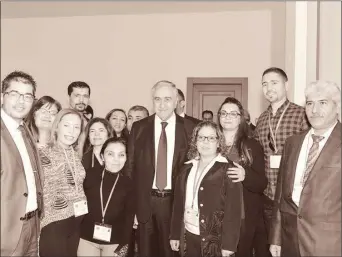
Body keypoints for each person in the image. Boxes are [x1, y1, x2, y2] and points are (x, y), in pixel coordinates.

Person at [269, 81, 341, 257]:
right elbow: (280, 195)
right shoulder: (293, 143)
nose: (314, 110)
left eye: (322, 103)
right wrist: (276, 237)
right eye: (310, 103)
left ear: (337, 106)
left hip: (329, 243)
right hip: (290, 239)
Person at [127, 80, 197, 257]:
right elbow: (130, 168)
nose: (162, 104)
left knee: (171, 253)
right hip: (145, 204)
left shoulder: (191, 128)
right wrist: (131, 207)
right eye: (157, 99)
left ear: (176, 102)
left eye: (167, 99)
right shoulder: (139, 128)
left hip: (175, 204)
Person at [170, 121, 243, 257]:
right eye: (201, 137)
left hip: (215, 240)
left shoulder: (229, 170)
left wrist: (229, 244)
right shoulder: (186, 168)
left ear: (218, 142)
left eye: (211, 138)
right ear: (195, 141)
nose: (205, 142)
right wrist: (174, 234)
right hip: (187, 234)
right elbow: (178, 204)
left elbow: (234, 211)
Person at [254, 67, 310, 237]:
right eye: (264, 84)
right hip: (267, 198)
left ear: (286, 85)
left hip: (293, 199)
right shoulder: (262, 119)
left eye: (274, 82)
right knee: (270, 246)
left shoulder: (302, 114)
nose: (268, 88)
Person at [218, 97, 269, 257]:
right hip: (214, 212)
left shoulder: (252, 146)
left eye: (233, 114)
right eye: (224, 113)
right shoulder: (210, 143)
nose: (227, 117)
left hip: (242, 214)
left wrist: (245, 175)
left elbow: (262, 183)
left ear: (240, 118)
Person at [1, 71, 44, 256]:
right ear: (2, 96)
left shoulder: (24, 129)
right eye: (15, 94)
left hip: (32, 224)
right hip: (7, 231)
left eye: (27, 96)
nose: (21, 101)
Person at [39, 109, 88, 257]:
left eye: (76, 127)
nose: (71, 131)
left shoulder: (74, 153)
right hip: (54, 224)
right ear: (57, 126)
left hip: (75, 222)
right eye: (67, 125)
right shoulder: (43, 152)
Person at [78, 137, 135, 256]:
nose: (116, 160)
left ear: (126, 158)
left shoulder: (128, 184)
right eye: (110, 154)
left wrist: (123, 247)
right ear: (102, 156)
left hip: (115, 242)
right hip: (86, 238)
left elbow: (128, 219)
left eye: (121, 155)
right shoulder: (88, 175)